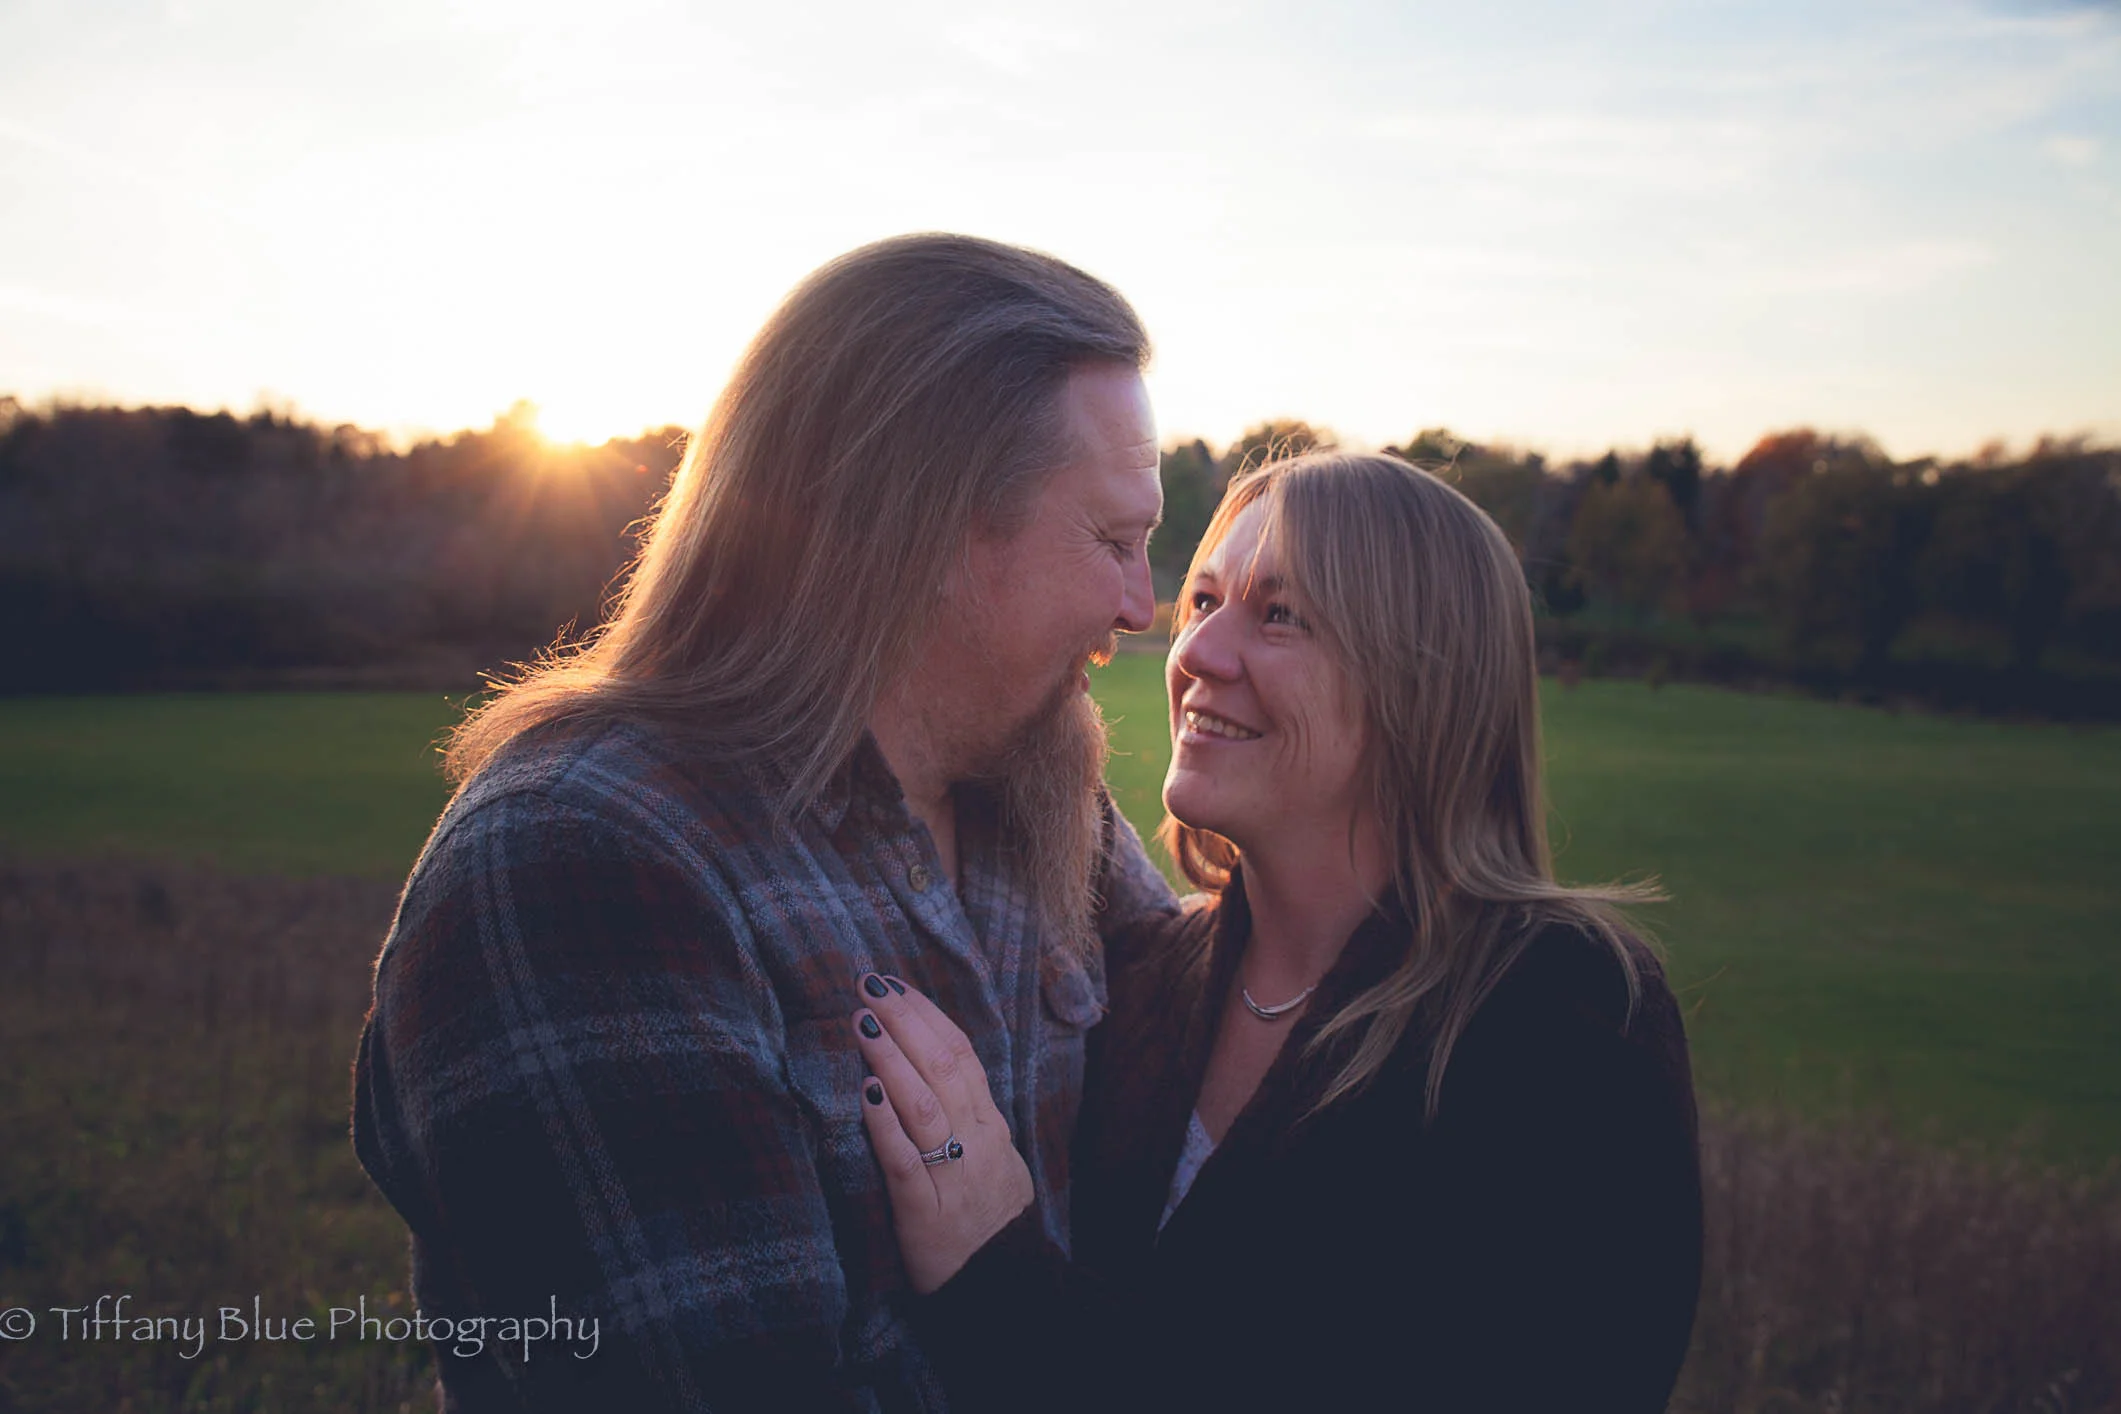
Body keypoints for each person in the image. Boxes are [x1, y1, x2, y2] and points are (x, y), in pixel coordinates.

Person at [350, 233, 1182, 1410]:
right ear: (922, 523)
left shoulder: (1047, 802)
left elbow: (1235, 1072)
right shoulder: (589, 859)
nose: (1142, 606)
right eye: (1111, 540)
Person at [851, 451, 1705, 1412]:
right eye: (1203, 601)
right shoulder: (1143, 976)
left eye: (1280, 615)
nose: (1197, 654)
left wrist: (993, 1273)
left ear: (1423, 683)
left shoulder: (1558, 1015)